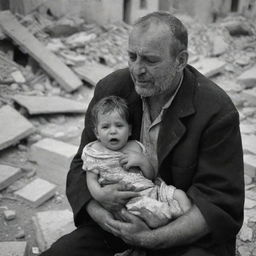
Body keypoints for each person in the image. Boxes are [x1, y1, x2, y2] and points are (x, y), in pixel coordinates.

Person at [41, 11, 244, 256]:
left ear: (180, 61)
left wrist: (150, 238)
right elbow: (80, 165)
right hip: (120, 219)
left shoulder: (216, 110)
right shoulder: (112, 89)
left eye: (150, 60)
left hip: (182, 232)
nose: (137, 69)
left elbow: (218, 202)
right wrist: (106, 214)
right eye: (132, 56)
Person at [82, 95, 191, 229]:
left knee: (179, 195)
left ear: (129, 130)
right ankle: (170, 218)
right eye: (105, 127)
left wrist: (142, 161)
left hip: (152, 190)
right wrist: (99, 194)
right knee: (146, 213)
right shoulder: (95, 152)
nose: (113, 131)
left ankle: (185, 218)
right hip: (129, 199)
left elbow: (151, 176)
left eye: (119, 125)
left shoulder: (135, 146)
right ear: (97, 133)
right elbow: (91, 179)